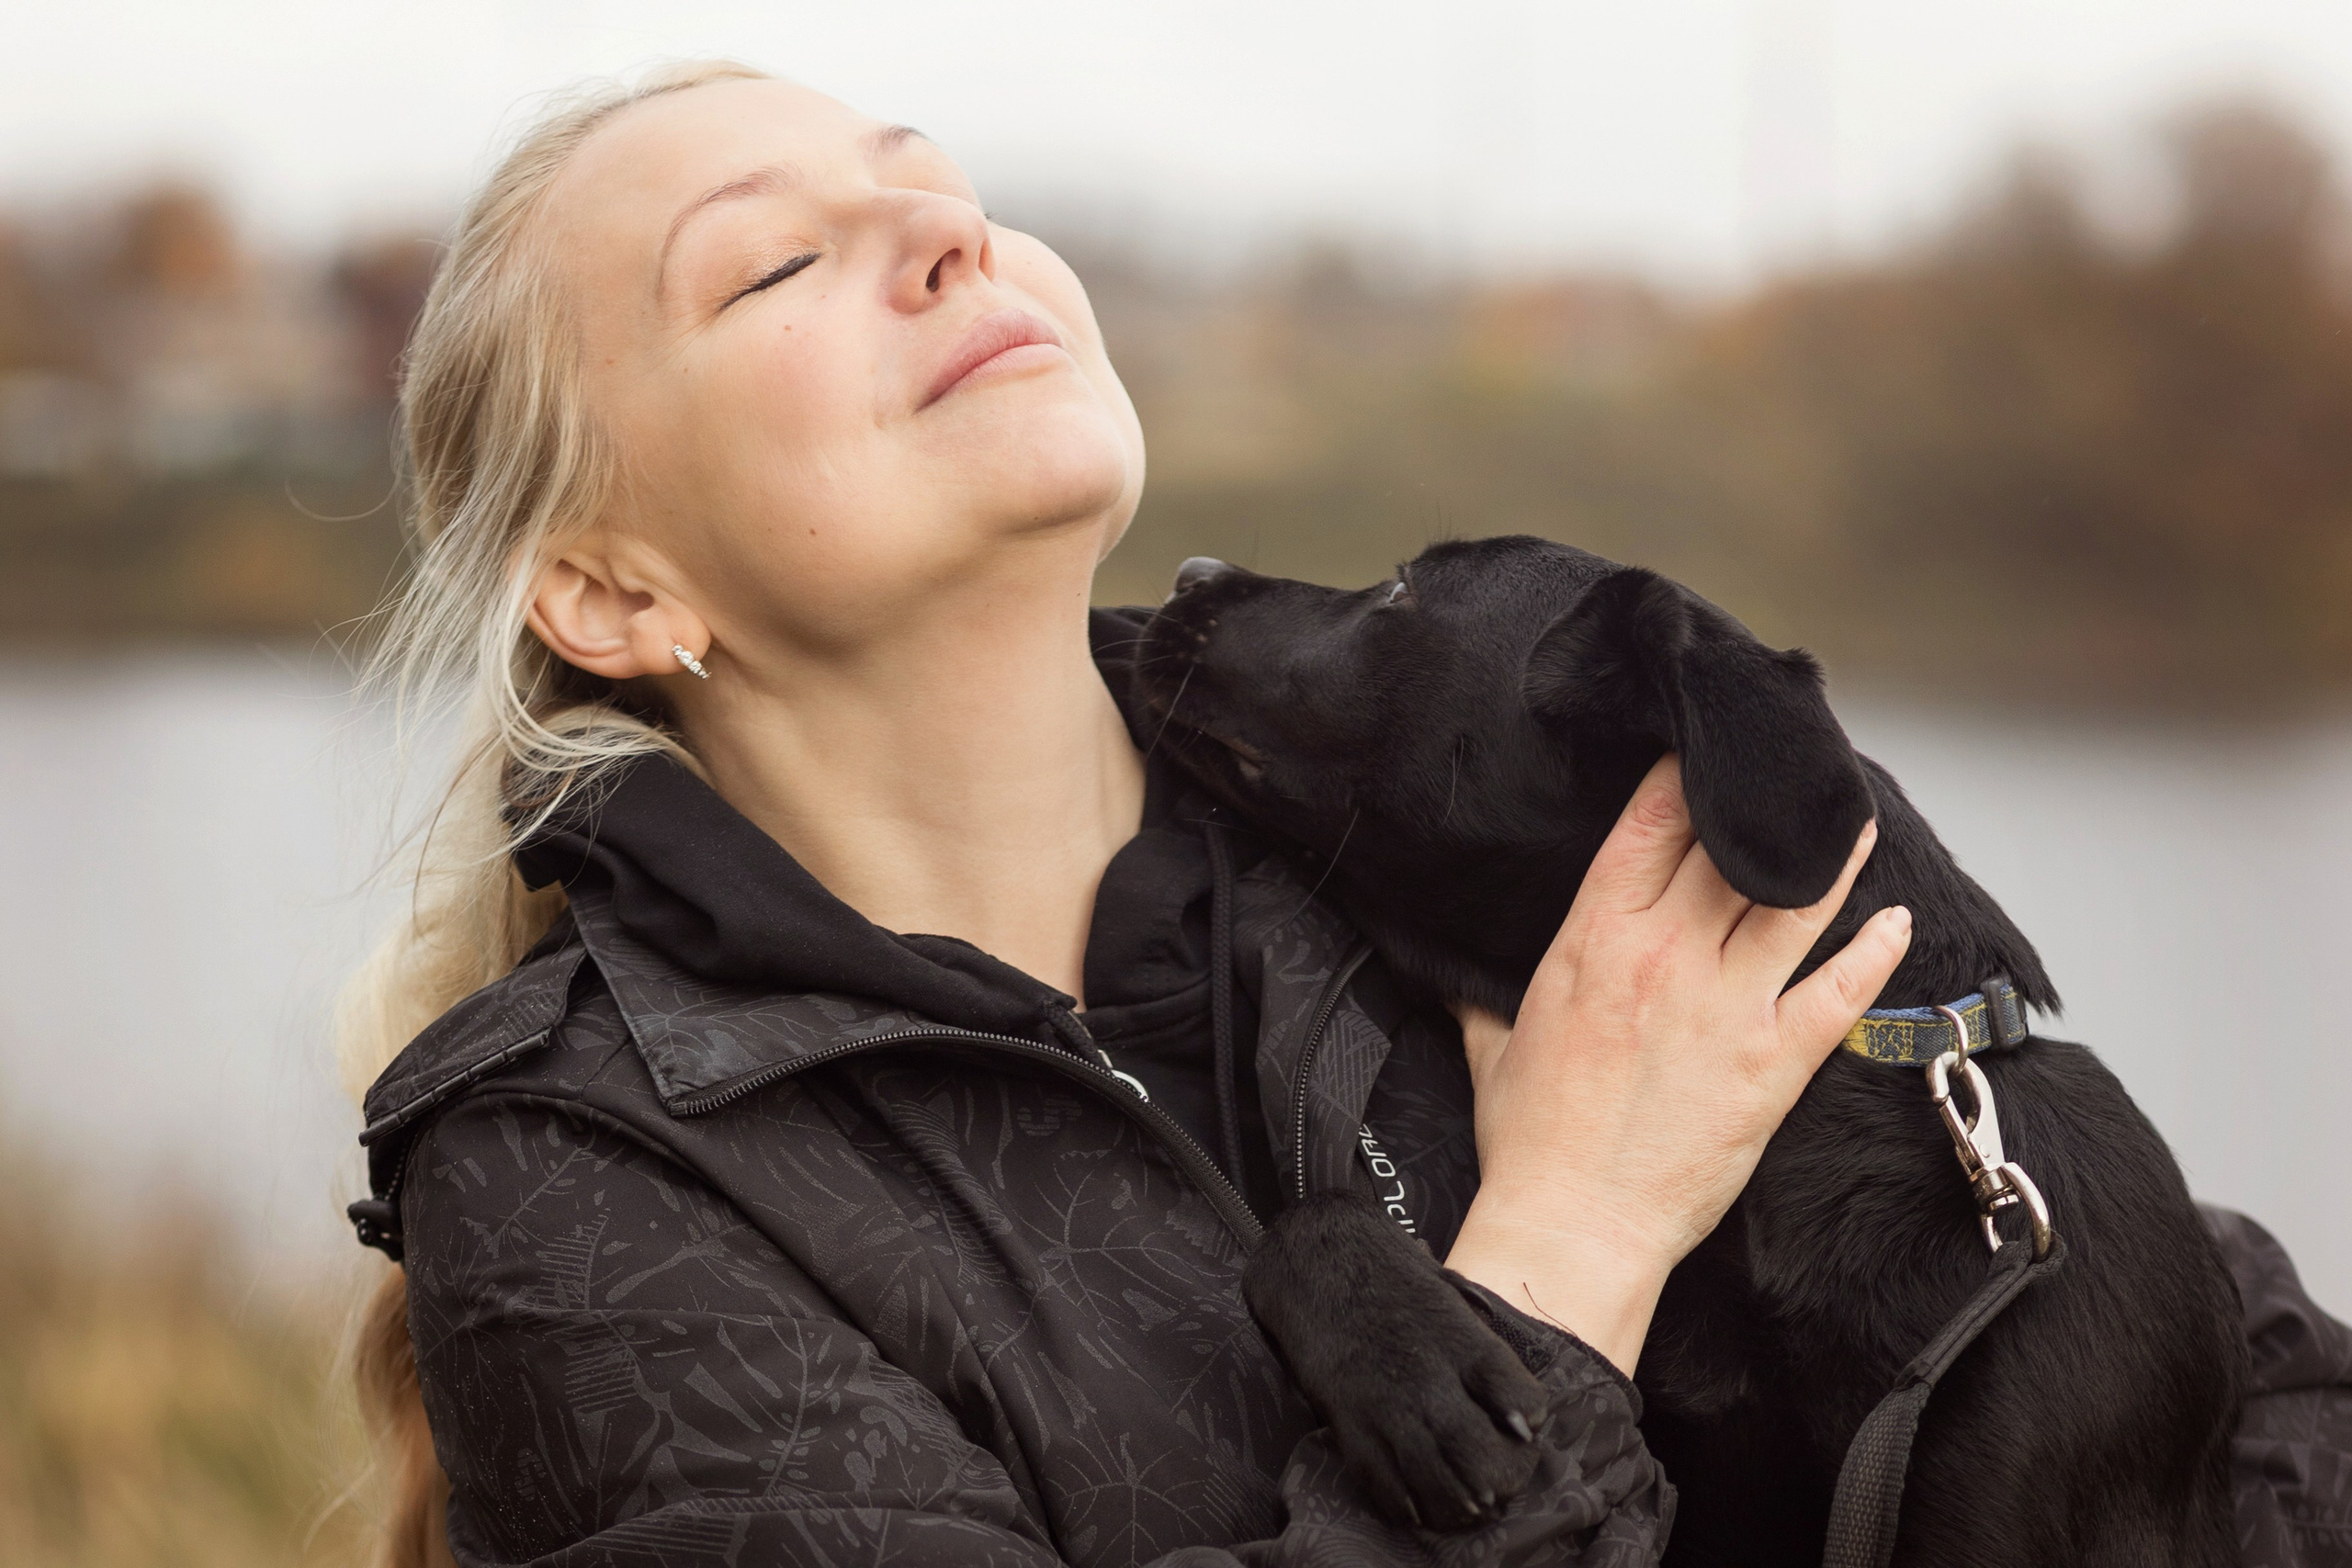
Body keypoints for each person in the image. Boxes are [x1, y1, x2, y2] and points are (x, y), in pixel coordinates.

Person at [340, 62, 2352, 1568]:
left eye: (937, 188)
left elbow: (2224, 1364)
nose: (947, 236)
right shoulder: (575, 1183)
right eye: (777, 262)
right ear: (614, 591)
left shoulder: (1456, 799)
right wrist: (1565, 1242)